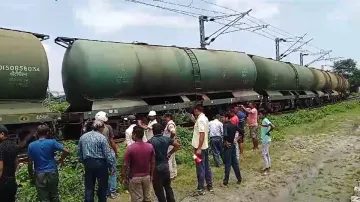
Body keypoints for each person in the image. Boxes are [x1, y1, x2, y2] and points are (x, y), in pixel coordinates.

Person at [27, 124, 70, 202]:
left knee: (43, 198)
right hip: (52, 172)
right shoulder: (52, 142)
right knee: (55, 196)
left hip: (39, 174)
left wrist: (31, 175)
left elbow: (29, 162)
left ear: (37, 133)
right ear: (47, 133)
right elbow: (66, 151)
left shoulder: (31, 145)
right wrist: (61, 159)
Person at [78, 120, 114, 202]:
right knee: (102, 187)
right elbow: (107, 153)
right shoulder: (102, 137)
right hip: (101, 164)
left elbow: (79, 153)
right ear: (100, 128)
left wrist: (84, 162)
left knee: (89, 187)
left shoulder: (83, 137)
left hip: (88, 163)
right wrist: (111, 166)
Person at [121, 126, 155, 202]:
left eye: (132, 134)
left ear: (134, 135)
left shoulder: (130, 148)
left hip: (134, 177)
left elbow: (125, 164)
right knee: (147, 198)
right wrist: (151, 175)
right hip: (147, 176)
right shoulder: (150, 146)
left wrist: (123, 177)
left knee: (137, 199)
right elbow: (153, 162)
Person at [148, 123, 180, 202]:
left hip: (156, 167)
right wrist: (169, 153)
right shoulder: (166, 139)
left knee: (159, 189)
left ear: (153, 131)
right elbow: (177, 145)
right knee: (168, 186)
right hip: (165, 166)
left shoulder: (150, 141)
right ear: (162, 131)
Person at [95, 111, 118, 199]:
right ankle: (112, 192)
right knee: (112, 172)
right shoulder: (108, 127)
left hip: (99, 154)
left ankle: (105, 191)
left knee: (103, 174)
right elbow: (112, 141)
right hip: (109, 152)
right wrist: (116, 152)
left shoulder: (94, 128)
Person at [192, 104, 213, 195]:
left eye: (194, 110)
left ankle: (200, 187)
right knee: (206, 166)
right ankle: (209, 185)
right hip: (205, 146)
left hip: (198, 148)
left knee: (199, 167)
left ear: (197, 110)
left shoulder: (200, 120)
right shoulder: (204, 118)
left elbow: (202, 134)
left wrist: (199, 148)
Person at [221, 112, 242, 187]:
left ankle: (225, 181)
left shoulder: (225, 125)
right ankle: (239, 179)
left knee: (227, 164)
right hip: (233, 145)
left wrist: (225, 141)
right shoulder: (234, 125)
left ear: (227, 118)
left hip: (228, 146)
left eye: (223, 117)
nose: (222, 119)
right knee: (235, 163)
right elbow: (242, 131)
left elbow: (225, 134)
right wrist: (237, 138)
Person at [0, 124, 18, 202]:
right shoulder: (14, 145)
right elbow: (16, 162)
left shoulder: (1, 147)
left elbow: (0, 168)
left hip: (3, 182)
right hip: (12, 180)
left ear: (2, 134)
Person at [258, 109, 275, 175]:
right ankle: (268, 166)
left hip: (265, 139)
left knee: (264, 154)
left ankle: (267, 168)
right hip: (266, 139)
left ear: (263, 114)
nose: (259, 115)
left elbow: (273, 126)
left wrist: (268, 131)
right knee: (267, 153)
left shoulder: (265, 120)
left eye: (260, 114)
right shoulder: (264, 120)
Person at [163, 113, 178, 179]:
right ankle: (174, 173)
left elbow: (173, 132)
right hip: (171, 144)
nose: (164, 119)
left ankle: (170, 175)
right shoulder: (171, 123)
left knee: (168, 158)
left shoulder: (170, 124)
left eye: (165, 117)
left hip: (169, 144)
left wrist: (170, 139)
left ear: (168, 117)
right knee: (172, 159)